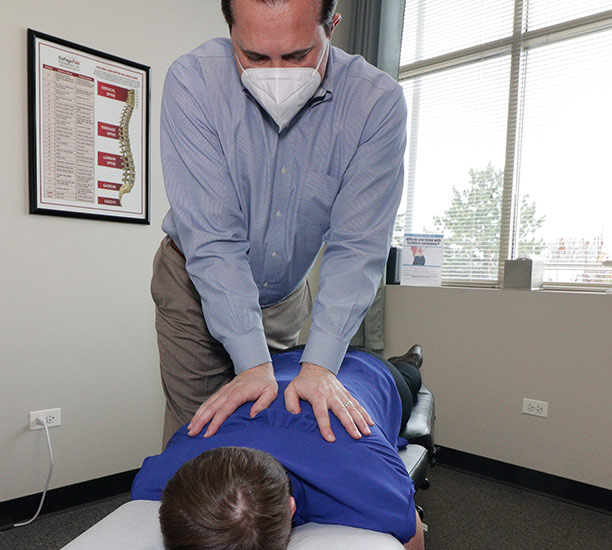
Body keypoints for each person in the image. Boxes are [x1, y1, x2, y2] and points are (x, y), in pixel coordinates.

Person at [152, 0, 408, 447]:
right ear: (230, 32)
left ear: (332, 25)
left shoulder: (375, 102)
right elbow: (213, 241)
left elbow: (358, 247)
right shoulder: (193, 82)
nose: (276, 72)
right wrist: (251, 364)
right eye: (253, 56)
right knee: (196, 437)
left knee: (278, 433)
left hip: (286, 295)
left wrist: (321, 365)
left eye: (296, 55)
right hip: (194, 284)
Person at [131, 346, 427, 550]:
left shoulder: (367, 481)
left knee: (409, 377)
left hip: (369, 372)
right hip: (278, 362)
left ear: (290, 508)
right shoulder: (166, 470)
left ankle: (411, 359)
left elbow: (409, 528)